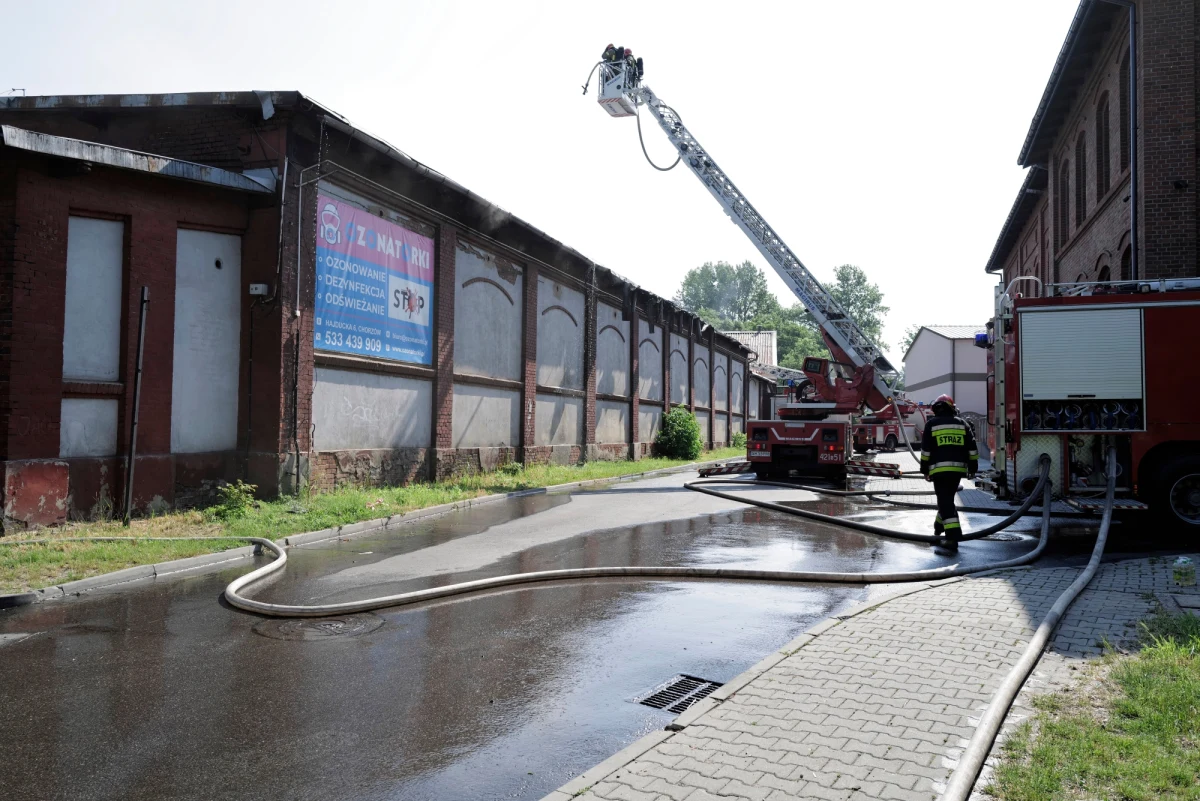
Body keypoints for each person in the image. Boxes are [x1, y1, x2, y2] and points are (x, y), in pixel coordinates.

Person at [919, 394, 979, 548]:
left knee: (944, 501)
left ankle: (952, 538)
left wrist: (924, 469)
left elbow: (926, 451)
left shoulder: (931, 425)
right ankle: (938, 528)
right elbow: (972, 449)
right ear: (952, 407)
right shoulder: (962, 424)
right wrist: (973, 468)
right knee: (947, 500)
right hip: (957, 471)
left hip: (938, 472)